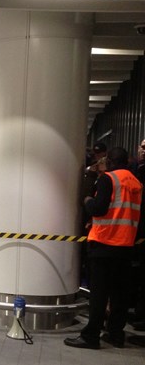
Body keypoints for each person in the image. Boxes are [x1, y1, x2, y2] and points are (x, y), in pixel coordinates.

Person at [65, 147, 142, 350]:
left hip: (104, 243)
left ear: (109, 162)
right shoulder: (136, 182)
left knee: (99, 294)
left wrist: (88, 201)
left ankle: (91, 335)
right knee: (119, 295)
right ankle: (115, 334)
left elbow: (99, 208)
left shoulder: (109, 179)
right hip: (126, 245)